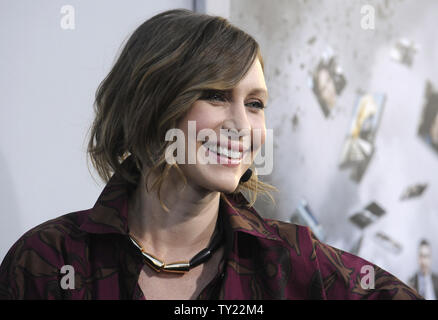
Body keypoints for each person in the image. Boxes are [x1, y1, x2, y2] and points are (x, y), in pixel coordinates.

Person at [0, 9, 422, 300]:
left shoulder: (293, 260)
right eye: (217, 96)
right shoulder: (48, 262)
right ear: (152, 102)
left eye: (255, 103)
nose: (241, 125)